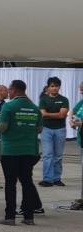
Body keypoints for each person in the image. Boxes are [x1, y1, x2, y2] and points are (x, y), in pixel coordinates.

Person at [0, 79, 43, 225]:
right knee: (27, 182)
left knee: (10, 183)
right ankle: (29, 217)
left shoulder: (8, 107)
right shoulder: (35, 108)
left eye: (9, 90)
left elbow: (2, 126)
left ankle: (10, 216)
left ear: (14, 90)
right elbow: (39, 129)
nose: (8, 93)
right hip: (29, 150)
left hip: (11, 150)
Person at [38, 77, 69, 187]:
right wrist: (57, 114)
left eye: (56, 86)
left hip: (60, 129)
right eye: (52, 86)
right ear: (48, 87)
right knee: (47, 155)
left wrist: (48, 114)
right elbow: (42, 114)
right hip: (46, 129)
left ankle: (56, 178)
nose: (54, 88)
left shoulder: (64, 99)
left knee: (58, 155)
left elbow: (62, 115)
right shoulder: (43, 100)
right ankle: (47, 179)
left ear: (59, 87)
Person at [69, 82, 83, 211]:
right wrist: (72, 121)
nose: (81, 92)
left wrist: (80, 123)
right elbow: (72, 112)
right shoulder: (82, 102)